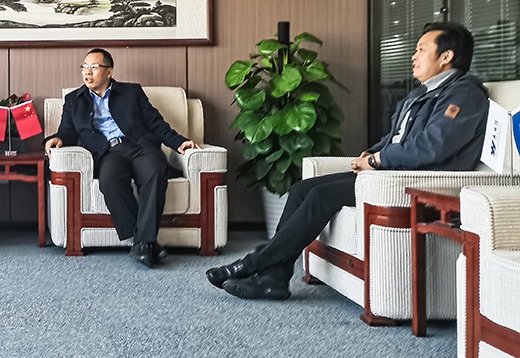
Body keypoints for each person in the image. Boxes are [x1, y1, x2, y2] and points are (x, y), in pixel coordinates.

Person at [207, 22, 489, 300]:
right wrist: (370, 154)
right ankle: (274, 279)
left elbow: (433, 147)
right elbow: (394, 138)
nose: (413, 56)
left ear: (446, 56)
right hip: (391, 173)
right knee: (302, 189)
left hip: (417, 181)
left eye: (421, 49)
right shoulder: (420, 94)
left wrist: (378, 161)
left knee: (320, 196)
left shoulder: (464, 94)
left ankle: (254, 263)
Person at [45, 48, 201, 268]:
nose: (87, 72)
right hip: (108, 152)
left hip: (140, 146)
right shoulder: (74, 100)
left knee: (155, 174)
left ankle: (142, 243)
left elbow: (155, 122)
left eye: (94, 67)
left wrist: (178, 142)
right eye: (84, 67)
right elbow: (67, 131)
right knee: (109, 180)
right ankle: (144, 241)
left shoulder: (131, 92)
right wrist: (57, 139)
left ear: (109, 71)